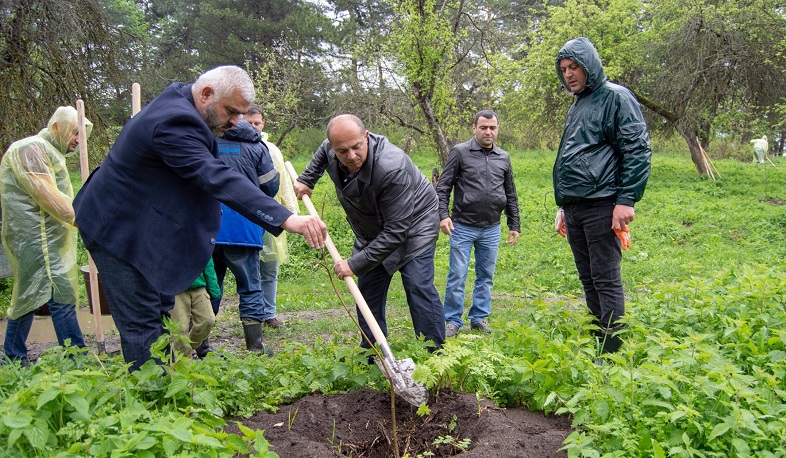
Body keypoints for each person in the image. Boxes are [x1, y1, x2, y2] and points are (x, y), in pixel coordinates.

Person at [74, 65, 326, 371]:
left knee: (160, 311)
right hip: (116, 229)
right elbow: (216, 176)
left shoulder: (185, 102)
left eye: (241, 114)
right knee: (142, 323)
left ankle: (166, 381)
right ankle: (149, 393)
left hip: (145, 225)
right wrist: (286, 219)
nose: (236, 122)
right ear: (206, 94)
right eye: (231, 111)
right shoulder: (174, 122)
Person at [294, 114, 445, 351]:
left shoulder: (392, 167)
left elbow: (396, 231)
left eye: (356, 147)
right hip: (372, 227)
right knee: (367, 289)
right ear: (333, 147)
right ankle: (373, 352)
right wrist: (307, 179)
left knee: (417, 285)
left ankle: (434, 353)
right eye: (342, 151)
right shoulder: (331, 148)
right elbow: (323, 151)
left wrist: (354, 263)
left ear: (366, 136)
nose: (351, 156)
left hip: (416, 224)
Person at [552, 37, 652, 354]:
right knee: (588, 278)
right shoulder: (578, 104)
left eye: (574, 67)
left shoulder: (615, 97)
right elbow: (574, 156)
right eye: (564, 69)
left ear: (590, 65)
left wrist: (626, 199)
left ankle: (612, 353)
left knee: (605, 279)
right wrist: (564, 205)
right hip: (576, 206)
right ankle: (599, 343)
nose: (569, 74)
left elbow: (636, 149)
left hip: (602, 203)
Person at [0, 106, 89, 365]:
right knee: (54, 296)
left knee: (32, 296)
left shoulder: (49, 151)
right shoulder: (30, 149)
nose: (78, 140)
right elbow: (47, 196)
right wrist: (83, 220)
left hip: (46, 238)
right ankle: (76, 358)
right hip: (35, 239)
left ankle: (14, 356)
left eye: (81, 135)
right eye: (75, 132)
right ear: (57, 128)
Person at [436, 110, 520, 338]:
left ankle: (479, 318)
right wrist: (443, 215)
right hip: (462, 226)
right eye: (483, 127)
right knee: (457, 275)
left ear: (498, 129)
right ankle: (452, 320)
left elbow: (510, 192)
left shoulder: (503, 157)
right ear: (474, 128)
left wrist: (514, 224)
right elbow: (443, 187)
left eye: (492, 128)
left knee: (486, 276)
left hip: (491, 228)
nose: (488, 132)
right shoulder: (460, 152)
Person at [210, 118, 279, 355]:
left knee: (210, 286)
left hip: (208, 226)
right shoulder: (258, 148)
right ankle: (255, 348)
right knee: (250, 287)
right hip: (244, 227)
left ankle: (200, 344)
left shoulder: (207, 142)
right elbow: (270, 187)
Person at [244, 105, 298, 330]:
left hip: (270, 216)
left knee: (270, 267)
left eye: (257, 123)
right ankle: (252, 315)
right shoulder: (235, 148)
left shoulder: (272, 150)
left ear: (263, 124)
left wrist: (291, 213)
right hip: (245, 217)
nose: (253, 127)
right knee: (248, 269)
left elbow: (283, 181)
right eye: (249, 123)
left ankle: (269, 313)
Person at [170, 258, 220, 359]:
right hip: (175, 287)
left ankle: (186, 347)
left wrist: (214, 289)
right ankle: (185, 362)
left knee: (208, 320)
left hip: (198, 284)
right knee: (180, 328)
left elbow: (207, 260)